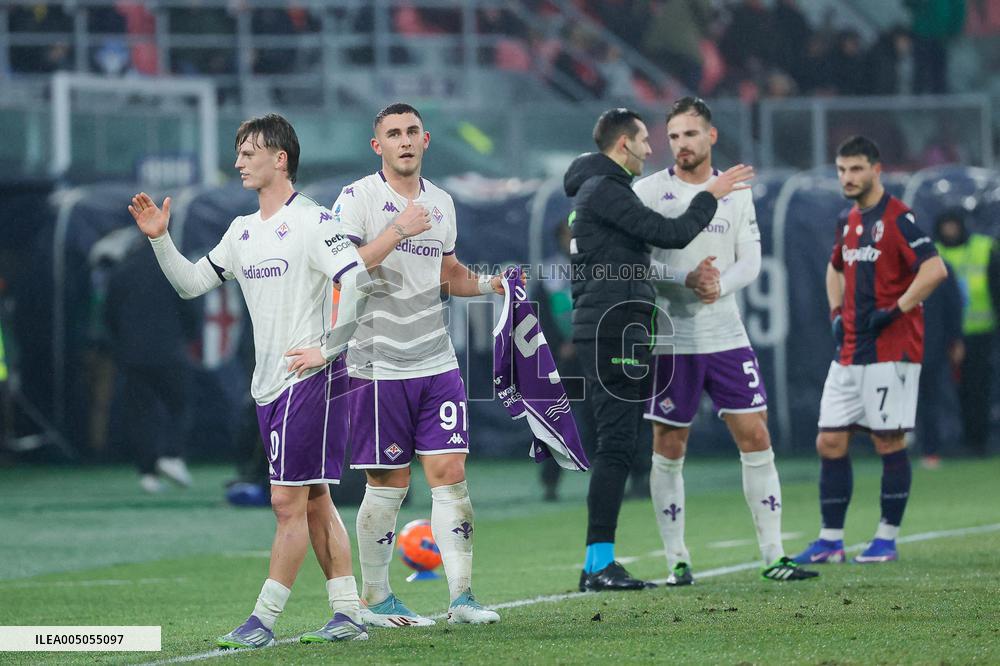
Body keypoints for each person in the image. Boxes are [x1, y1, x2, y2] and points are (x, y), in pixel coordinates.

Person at [128, 113, 432, 649]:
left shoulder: (315, 222)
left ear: (280, 159)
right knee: (314, 499)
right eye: (239, 150)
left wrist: (327, 347)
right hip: (269, 384)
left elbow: (356, 282)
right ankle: (346, 612)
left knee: (286, 503)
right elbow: (192, 283)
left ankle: (262, 620)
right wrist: (160, 241)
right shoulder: (242, 231)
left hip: (310, 378)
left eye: (249, 151)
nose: (239, 159)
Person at [293, 103, 505, 627]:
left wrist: (489, 285)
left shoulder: (443, 203)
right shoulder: (357, 198)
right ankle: (377, 596)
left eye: (412, 131)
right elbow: (342, 268)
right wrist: (398, 230)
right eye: (394, 133)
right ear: (378, 146)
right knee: (388, 484)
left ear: (426, 140)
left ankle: (462, 599)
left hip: (436, 359)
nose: (404, 140)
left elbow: (447, 272)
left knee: (450, 474)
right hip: (376, 363)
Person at [563, 107, 753, 591]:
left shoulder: (598, 189)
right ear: (623, 144)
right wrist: (709, 196)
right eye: (646, 140)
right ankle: (599, 563)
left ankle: (594, 564)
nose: (652, 150)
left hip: (610, 325)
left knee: (618, 446)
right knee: (617, 447)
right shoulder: (606, 190)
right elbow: (670, 233)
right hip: (614, 327)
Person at [634, 96, 818, 584]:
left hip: (727, 335)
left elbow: (750, 261)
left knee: (756, 436)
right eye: (673, 137)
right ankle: (677, 561)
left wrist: (719, 284)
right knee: (669, 446)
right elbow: (639, 262)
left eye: (690, 134)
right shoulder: (649, 191)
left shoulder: (736, 192)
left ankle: (774, 555)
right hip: (674, 339)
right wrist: (684, 279)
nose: (681, 145)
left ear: (711, 136)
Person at [793, 136, 948, 565]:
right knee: (829, 441)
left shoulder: (900, 218)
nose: (848, 177)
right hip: (849, 351)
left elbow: (935, 269)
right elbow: (834, 267)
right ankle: (830, 540)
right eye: (842, 170)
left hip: (891, 349)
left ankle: (886, 537)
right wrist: (834, 313)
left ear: (876, 170)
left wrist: (895, 309)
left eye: (856, 169)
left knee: (888, 440)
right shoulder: (848, 220)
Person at [104, 238, 198, 493]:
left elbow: (109, 315)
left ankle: (147, 473)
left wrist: (122, 345)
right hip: (170, 352)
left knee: (141, 412)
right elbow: (189, 305)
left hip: (133, 355)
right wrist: (190, 336)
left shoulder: (121, 271)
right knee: (180, 403)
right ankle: (172, 455)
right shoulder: (171, 268)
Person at [934, 208, 998, 456]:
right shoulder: (932, 252)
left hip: (979, 332)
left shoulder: (983, 248)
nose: (950, 231)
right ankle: (942, 441)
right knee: (945, 389)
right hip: (944, 335)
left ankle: (977, 441)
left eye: (954, 225)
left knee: (978, 387)